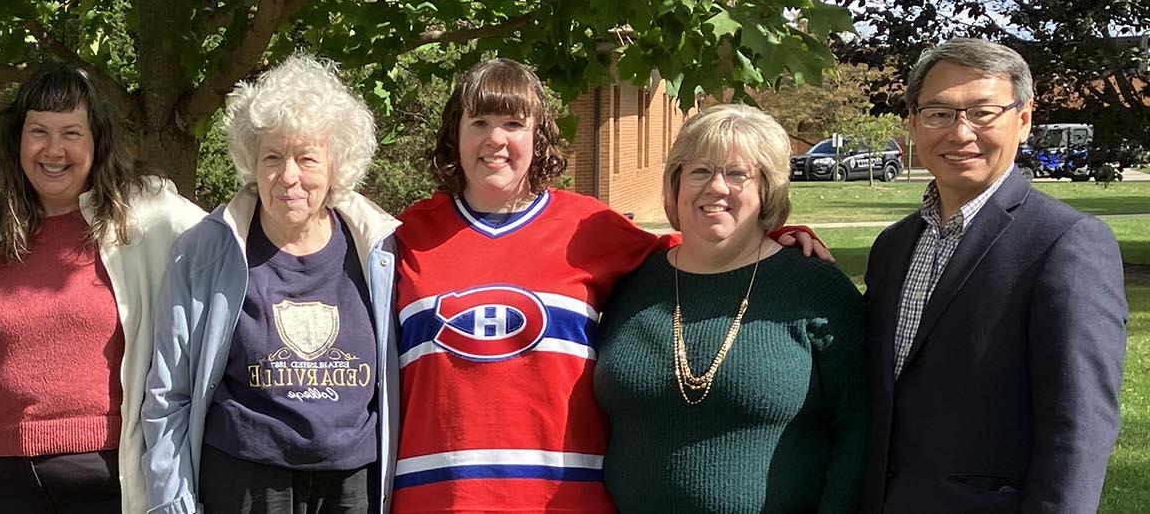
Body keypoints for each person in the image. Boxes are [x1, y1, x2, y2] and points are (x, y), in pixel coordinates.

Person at [390, 59, 828, 513]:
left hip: (564, 498)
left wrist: (768, 236)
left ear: (537, 136)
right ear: (454, 134)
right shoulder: (405, 235)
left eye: (514, 124)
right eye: (478, 122)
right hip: (436, 496)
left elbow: (699, 250)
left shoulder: (588, 227)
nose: (495, 140)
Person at [860, 38, 1126, 513]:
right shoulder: (892, 246)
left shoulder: (1066, 244)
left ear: (1023, 120)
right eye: (939, 113)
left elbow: (1079, 426)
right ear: (914, 124)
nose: (960, 133)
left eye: (983, 112)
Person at [141, 54, 399, 514]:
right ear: (251, 163)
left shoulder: (379, 250)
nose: (289, 177)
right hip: (244, 478)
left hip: (351, 482)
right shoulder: (207, 250)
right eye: (273, 157)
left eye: (306, 158)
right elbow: (169, 392)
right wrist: (172, 500)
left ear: (335, 165)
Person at [593, 104, 866, 513]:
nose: (716, 187)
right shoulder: (631, 281)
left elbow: (860, 432)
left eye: (737, 174)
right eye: (700, 171)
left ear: (767, 189)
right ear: (676, 184)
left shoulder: (816, 289)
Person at [0, 63, 205, 514]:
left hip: (105, 472)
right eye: (39, 131)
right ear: (18, 140)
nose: (54, 150)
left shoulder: (148, 213)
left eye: (71, 133)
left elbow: (229, 245)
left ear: (97, 141)